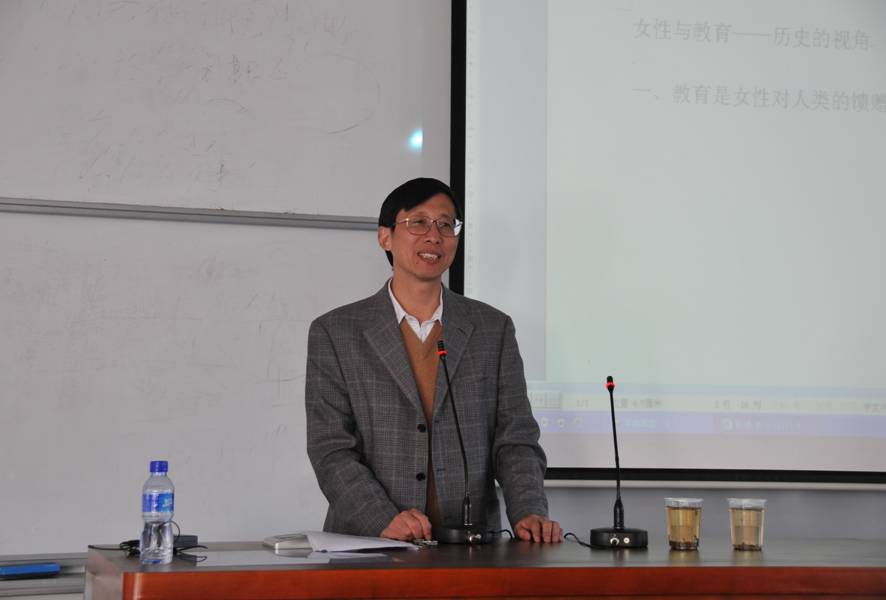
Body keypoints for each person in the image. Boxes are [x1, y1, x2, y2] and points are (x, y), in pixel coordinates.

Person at [305, 177, 561, 543]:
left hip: (470, 546)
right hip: (369, 544)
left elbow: (515, 439)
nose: (434, 236)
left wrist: (528, 511)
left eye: (445, 224)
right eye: (419, 223)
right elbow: (331, 448)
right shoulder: (336, 332)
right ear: (385, 237)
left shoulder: (492, 328)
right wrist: (382, 518)